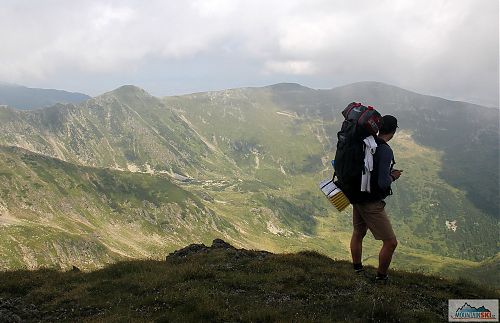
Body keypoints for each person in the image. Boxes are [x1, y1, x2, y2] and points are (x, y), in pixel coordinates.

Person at [350, 115, 402, 282]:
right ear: (393, 131)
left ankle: (357, 269)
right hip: (371, 202)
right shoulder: (385, 150)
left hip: (357, 196)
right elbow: (382, 182)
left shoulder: (367, 143)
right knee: (391, 242)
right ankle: (381, 277)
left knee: (358, 233)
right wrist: (393, 176)